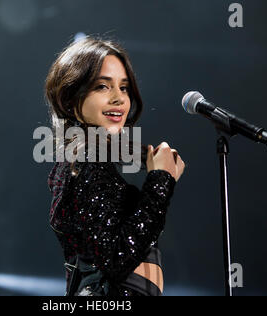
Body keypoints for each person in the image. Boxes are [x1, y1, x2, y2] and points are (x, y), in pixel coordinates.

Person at [45, 36, 185, 296]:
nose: (119, 98)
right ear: (70, 100)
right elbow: (118, 257)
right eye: (102, 86)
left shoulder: (89, 162)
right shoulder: (85, 164)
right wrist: (161, 180)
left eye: (124, 88)